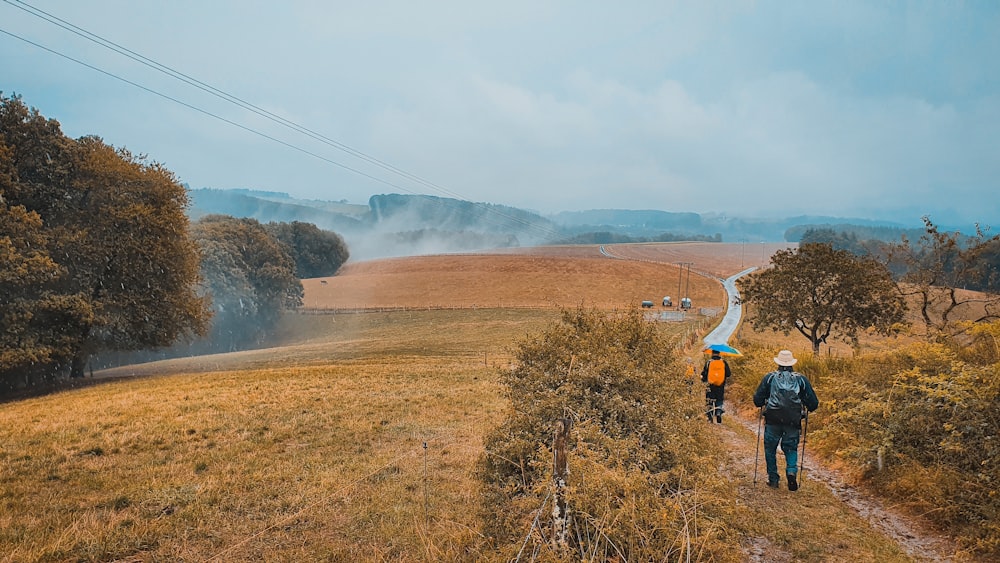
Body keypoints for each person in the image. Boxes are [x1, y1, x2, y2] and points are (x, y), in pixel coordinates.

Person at [752, 350, 819, 491]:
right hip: (793, 421)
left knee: (770, 449)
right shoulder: (801, 379)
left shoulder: (769, 378)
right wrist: (805, 405)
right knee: (791, 448)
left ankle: (773, 479)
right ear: (792, 364)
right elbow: (813, 403)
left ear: (778, 363)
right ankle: (791, 471)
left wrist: (764, 401)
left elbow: (757, 400)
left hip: (773, 419)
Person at [701, 350, 730, 423]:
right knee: (719, 400)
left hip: (710, 386)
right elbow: (729, 374)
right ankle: (718, 412)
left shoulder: (709, 362)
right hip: (720, 386)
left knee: (709, 401)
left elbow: (704, 374)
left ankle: (710, 417)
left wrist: (703, 380)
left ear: (712, 353)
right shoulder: (723, 362)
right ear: (719, 353)